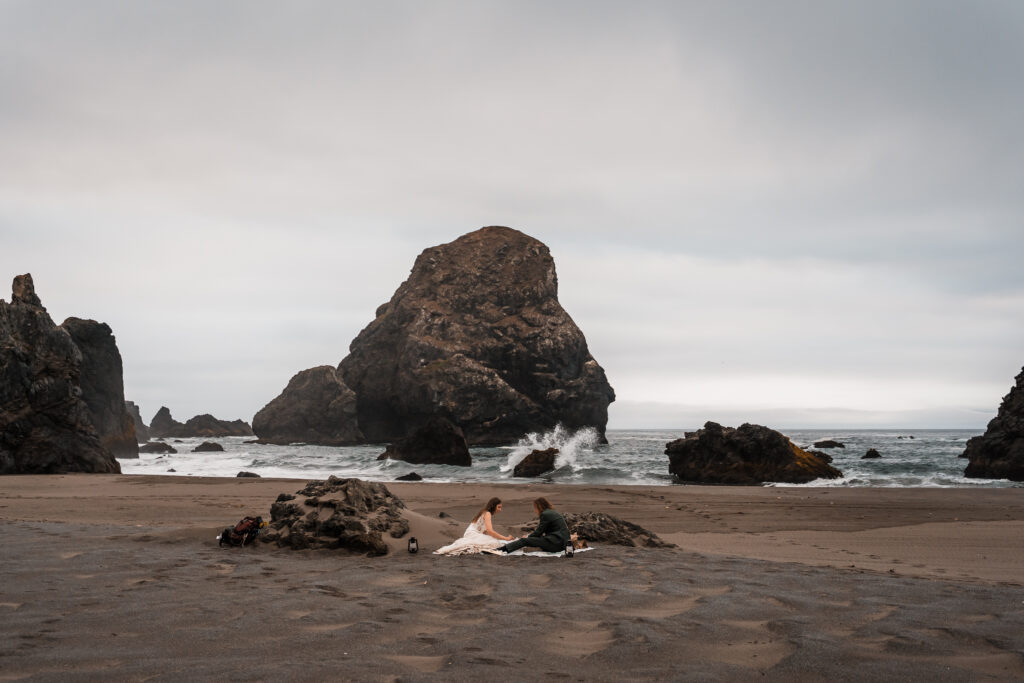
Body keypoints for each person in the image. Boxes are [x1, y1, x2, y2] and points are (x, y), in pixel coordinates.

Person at [434, 497, 515, 555]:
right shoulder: (487, 513)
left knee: (492, 541)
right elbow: (490, 531)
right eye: (499, 507)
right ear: (493, 506)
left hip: (471, 533)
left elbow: (485, 531)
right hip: (472, 533)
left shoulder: (484, 512)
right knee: (494, 543)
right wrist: (506, 538)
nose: (500, 510)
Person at [496, 497, 570, 554]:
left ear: (539, 507)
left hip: (556, 543)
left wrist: (528, 537)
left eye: (535, 508)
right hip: (564, 544)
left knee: (524, 541)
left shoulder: (545, 514)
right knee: (534, 540)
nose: (535, 510)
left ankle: (502, 549)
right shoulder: (553, 512)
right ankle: (504, 548)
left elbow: (539, 532)